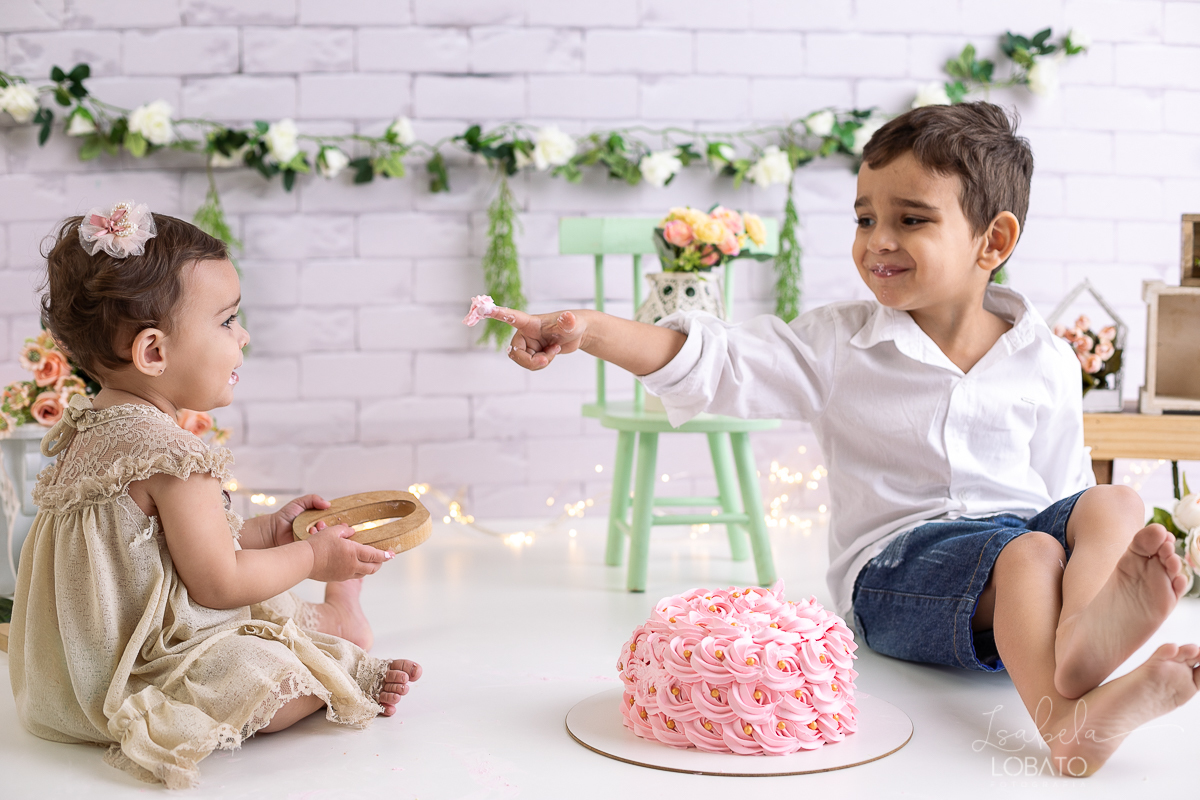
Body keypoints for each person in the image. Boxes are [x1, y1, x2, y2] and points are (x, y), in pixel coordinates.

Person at [486, 103, 1200, 776]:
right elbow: (718, 361)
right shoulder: (840, 344)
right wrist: (593, 330)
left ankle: (1078, 636)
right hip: (897, 576)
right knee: (1031, 552)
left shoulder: (1045, 357)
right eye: (865, 218)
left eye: (911, 219)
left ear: (995, 241)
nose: (878, 241)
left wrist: (1074, 569)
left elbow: (1061, 486)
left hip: (1020, 557)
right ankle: (1066, 725)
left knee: (1109, 501)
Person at [7, 203, 421, 789]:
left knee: (254, 624)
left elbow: (157, 546)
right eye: (227, 321)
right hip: (133, 673)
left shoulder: (89, 427)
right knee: (262, 672)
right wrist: (311, 558)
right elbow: (217, 583)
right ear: (154, 352)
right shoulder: (176, 455)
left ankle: (326, 620)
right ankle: (340, 627)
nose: (243, 334)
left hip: (67, 682)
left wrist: (270, 530)